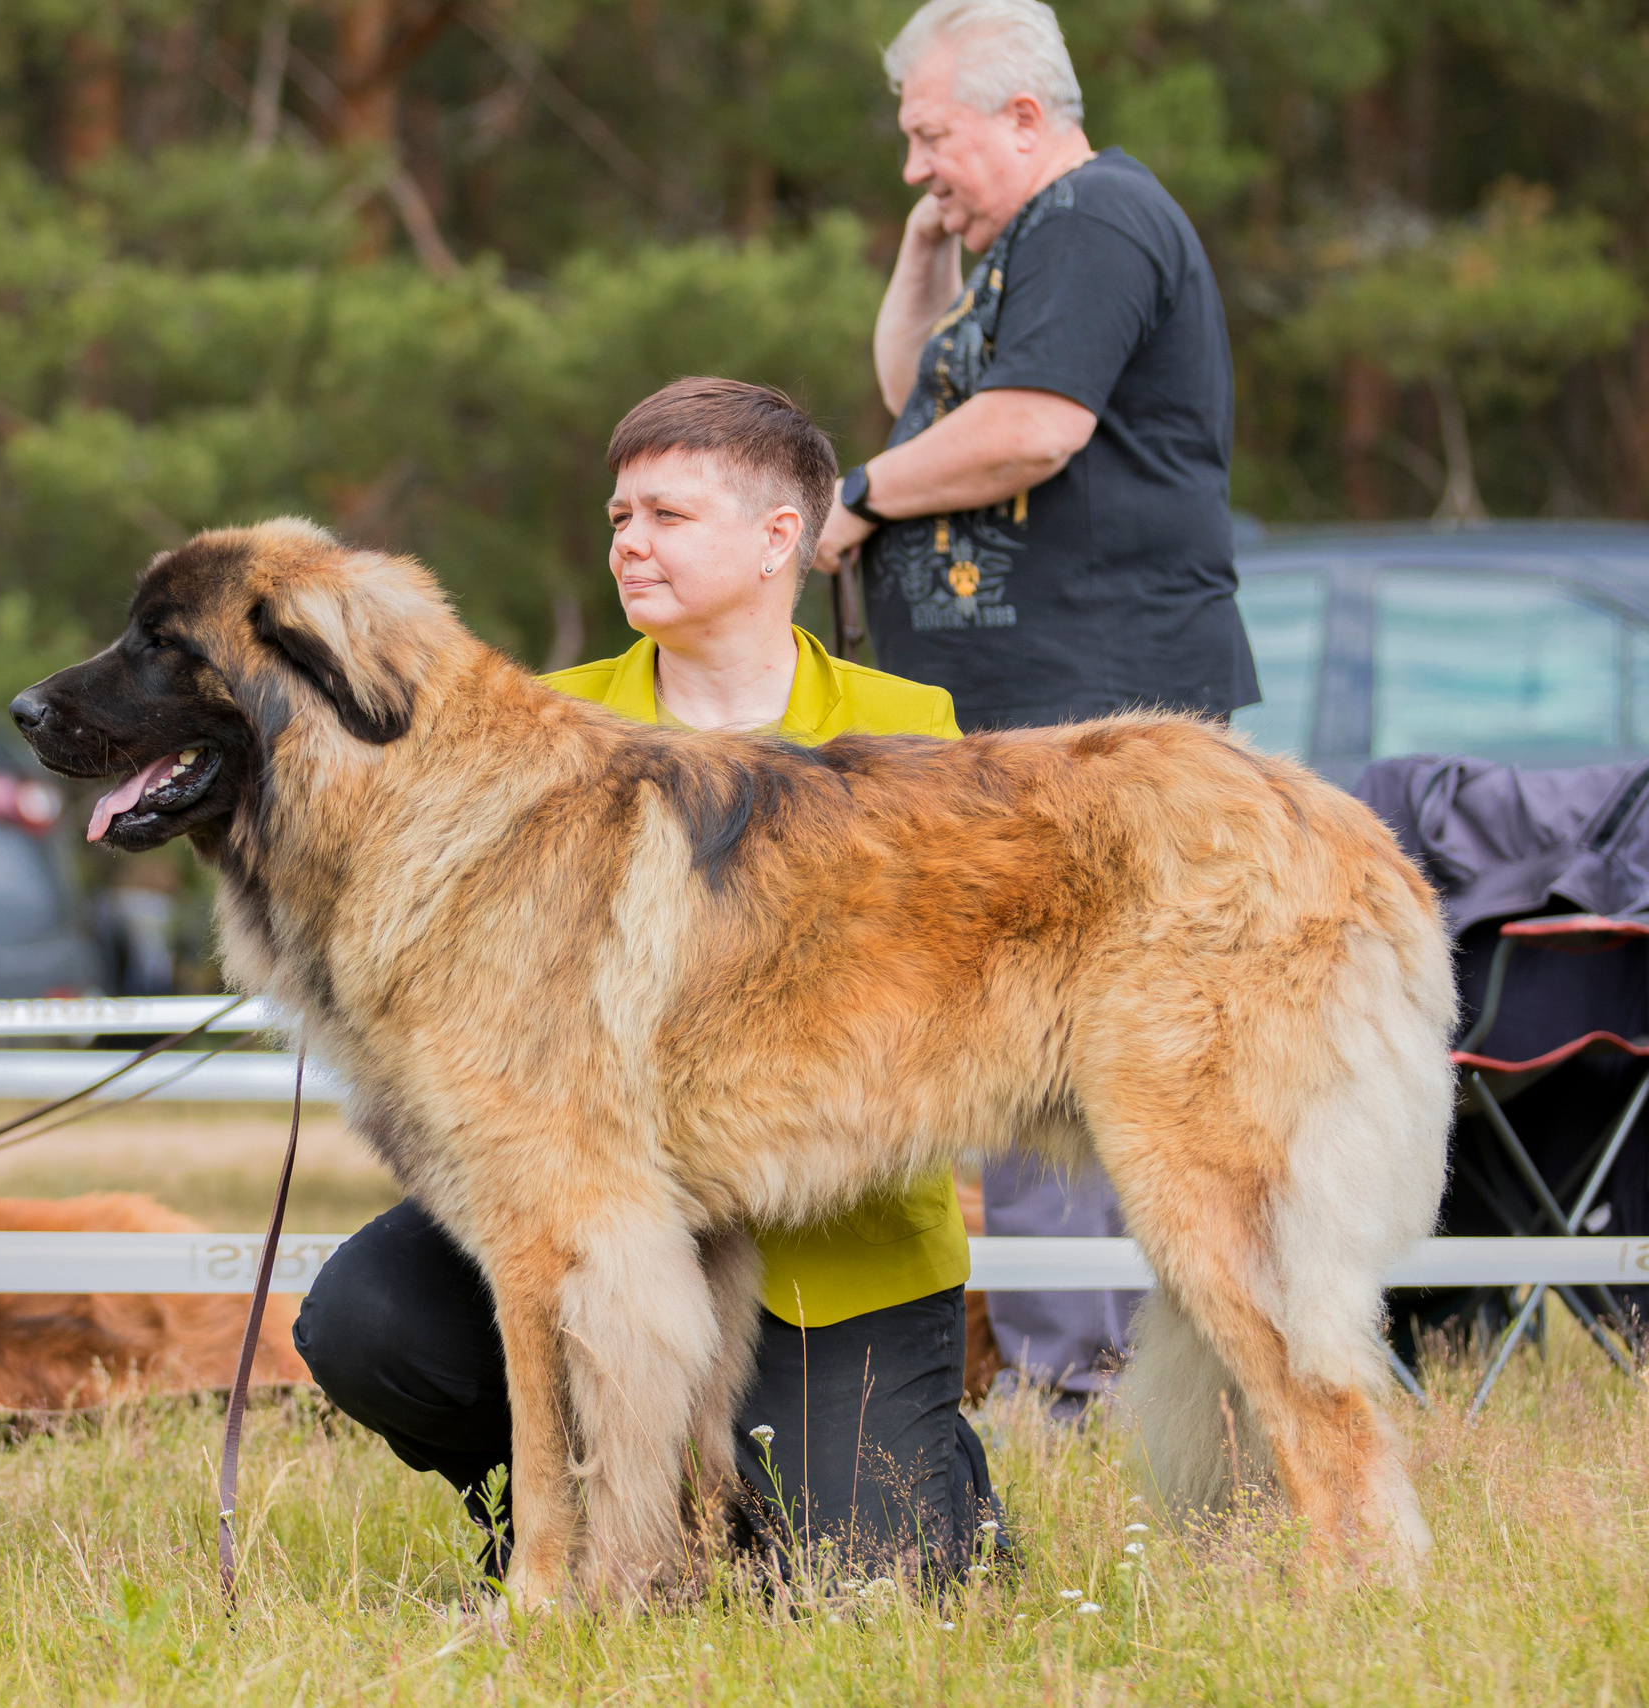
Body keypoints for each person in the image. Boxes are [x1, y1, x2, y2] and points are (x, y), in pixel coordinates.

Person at [296, 377, 997, 1582]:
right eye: (619, 516)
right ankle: (562, 1510)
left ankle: (934, 1474)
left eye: (667, 516)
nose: (628, 542)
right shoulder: (543, 723)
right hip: (579, 1216)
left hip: (832, 1242)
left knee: (855, 1574)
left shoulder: (912, 726)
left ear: (784, 537)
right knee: (369, 1321)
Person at [811, 0, 1260, 1411]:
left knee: (1097, 1056)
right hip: (1019, 718)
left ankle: (1096, 1380)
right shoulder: (1016, 245)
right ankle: (1076, 1371)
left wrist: (858, 501)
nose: (910, 166)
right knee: (1014, 1052)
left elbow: (1032, 431)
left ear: (1023, 115)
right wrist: (926, 245)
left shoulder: (1096, 222)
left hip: (1099, 722)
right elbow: (920, 400)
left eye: (928, 138)